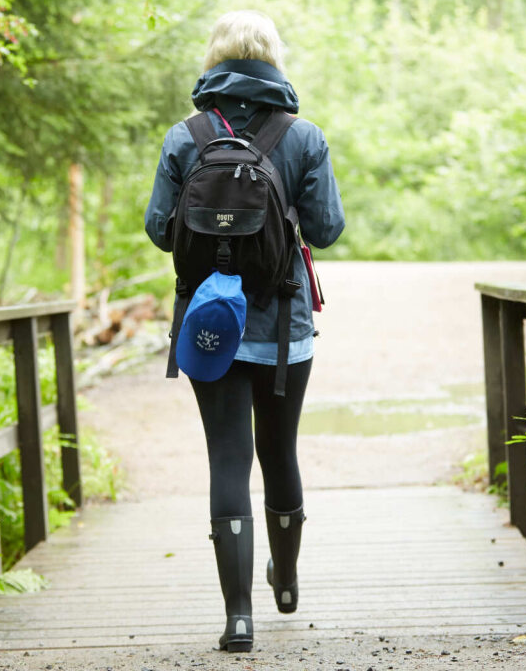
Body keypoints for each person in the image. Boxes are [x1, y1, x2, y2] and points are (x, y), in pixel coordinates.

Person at [144, 9, 345, 652]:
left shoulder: (187, 135)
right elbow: (327, 228)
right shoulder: (302, 135)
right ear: (273, 60)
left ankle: (238, 618)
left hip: (210, 325)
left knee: (227, 457)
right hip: (284, 328)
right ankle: (284, 575)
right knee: (278, 451)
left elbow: (157, 230)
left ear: (214, 60)